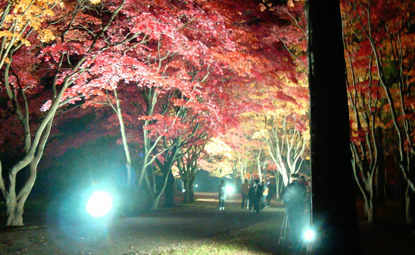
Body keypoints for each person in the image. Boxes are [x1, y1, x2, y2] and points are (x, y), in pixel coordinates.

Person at [281, 173, 307, 246]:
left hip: (291, 208)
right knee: (299, 224)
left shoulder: (288, 187)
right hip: (300, 208)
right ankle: (300, 241)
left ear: (291, 178)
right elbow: (304, 197)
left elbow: (285, 197)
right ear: (298, 178)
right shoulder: (302, 187)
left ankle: (294, 241)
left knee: (292, 225)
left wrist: (285, 203)